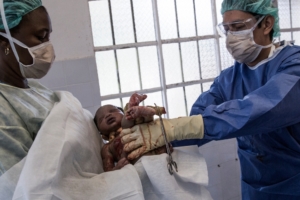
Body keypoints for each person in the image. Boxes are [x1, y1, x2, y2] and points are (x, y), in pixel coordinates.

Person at [120, 0, 300, 199]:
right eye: (227, 29)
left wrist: (179, 128)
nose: (231, 38)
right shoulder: (229, 79)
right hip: (254, 187)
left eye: (238, 27)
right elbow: (198, 122)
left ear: (266, 24)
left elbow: (267, 108)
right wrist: (158, 128)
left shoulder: (293, 66)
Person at [0, 0, 58, 176]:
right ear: (5, 44)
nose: (47, 47)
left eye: (48, 37)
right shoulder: (3, 111)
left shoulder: (34, 88)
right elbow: (22, 185)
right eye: (41, 37)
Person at [94, 93, 171, 172]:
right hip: (139, 166)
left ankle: (131, 112)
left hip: (161, 156)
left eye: (113, 111)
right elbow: (108, 172)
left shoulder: (136, 124)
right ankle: (131, 110)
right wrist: (117, 168)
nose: (108, 115)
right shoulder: (107, 147)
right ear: (101, 133)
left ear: (123, 113)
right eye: (101, 119)